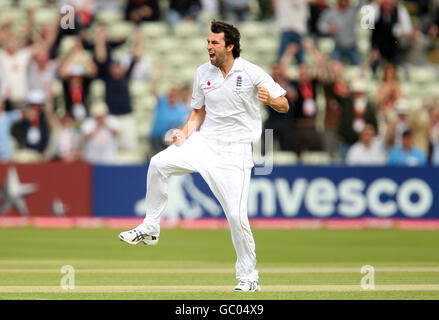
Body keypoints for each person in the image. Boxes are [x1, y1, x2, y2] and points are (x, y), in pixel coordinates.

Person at [118, 20, 289, 292]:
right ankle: (151, 227)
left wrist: (270, 100)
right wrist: (184, 133)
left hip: (236, 152)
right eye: (208, 42)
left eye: (214, 42)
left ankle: (249, 276)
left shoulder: (252, 72)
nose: (208, 46)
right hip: (204, 142)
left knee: (235, 215)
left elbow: (284, 104)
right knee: (158, 163)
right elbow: (198, 112)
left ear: (230, 46)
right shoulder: (202, 73)